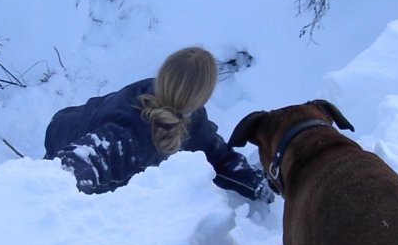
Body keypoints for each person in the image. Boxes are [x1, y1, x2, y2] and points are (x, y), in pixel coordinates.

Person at [44, 46, 273, 202]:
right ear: (203, 96)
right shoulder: (124, 135)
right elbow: (64, 172)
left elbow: (218, 156)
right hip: (65, 137)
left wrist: (258, 184)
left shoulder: (192, 119)